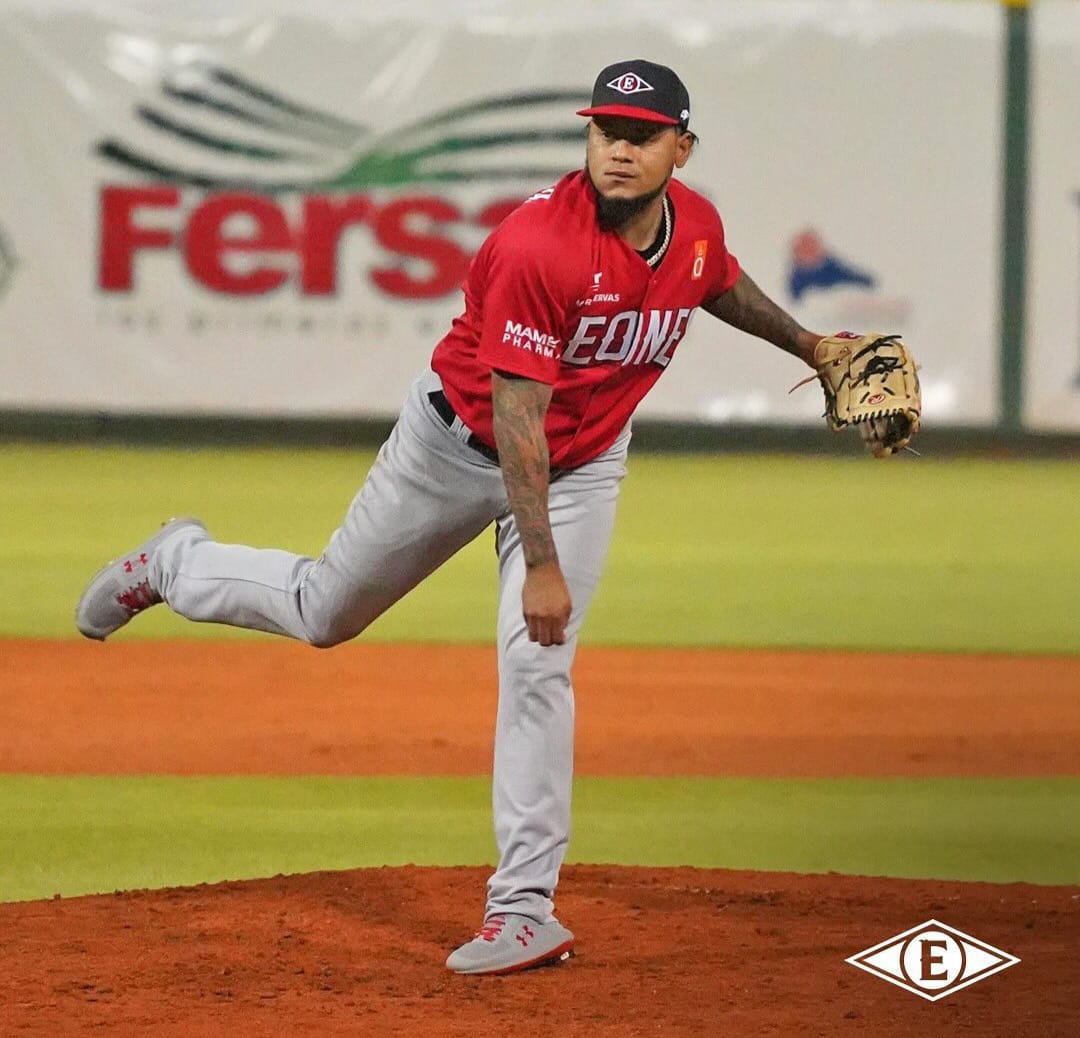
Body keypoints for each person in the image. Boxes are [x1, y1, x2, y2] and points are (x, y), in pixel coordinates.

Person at [76, 59, 830, 976]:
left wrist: (813, 347)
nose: (620, 149)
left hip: (586, 461)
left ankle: (523, 910)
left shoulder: (695, 225)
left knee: (538, 663)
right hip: (458, 447)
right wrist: (540, 565)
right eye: (606, 131)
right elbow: (518, 416)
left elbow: (714, 279)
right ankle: (176, 563)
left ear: (683, 148)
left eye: (642, 135)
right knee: (324, 611)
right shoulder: (537, 245)